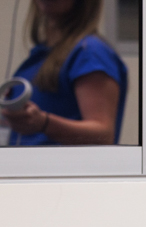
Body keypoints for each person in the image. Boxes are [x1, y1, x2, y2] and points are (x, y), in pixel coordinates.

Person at [1, 0, 127, 145]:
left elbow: (103, 136)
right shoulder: (41, 55)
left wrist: (44, 123)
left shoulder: (90, 52)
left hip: (66, 167)